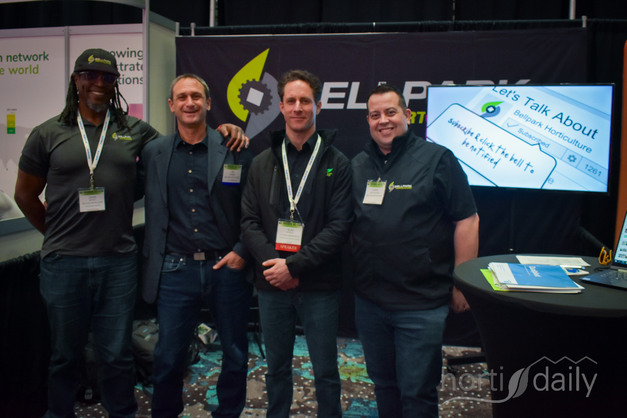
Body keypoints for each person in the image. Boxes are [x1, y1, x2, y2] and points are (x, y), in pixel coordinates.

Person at [13, 48, 245, 418]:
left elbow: (186, 140)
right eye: (90, 75)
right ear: (76, 80)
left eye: (107, 77)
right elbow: (24, 195)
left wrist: (227, 131)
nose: (99, 83)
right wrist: (54, 233)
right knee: (64, 355)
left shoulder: (135, 131)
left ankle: (122, 413)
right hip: (64, 262)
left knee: (117, 354)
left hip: (118, 261)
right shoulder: (47, 133)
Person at [350, 84, 480, 418]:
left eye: (390, 112)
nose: (383, 120)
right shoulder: (359, 165)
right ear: (368, 120)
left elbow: (467, 219)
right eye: (375, 115)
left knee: (417, 392)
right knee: (383, 385)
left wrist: (462, 283)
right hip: (370, 302)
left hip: (420, 304)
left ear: (407, 115)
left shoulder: (437, 159)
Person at [138, 73, 253, 418]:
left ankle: (229, 412)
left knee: (235, 351)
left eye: (196, 96)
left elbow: (254, 207)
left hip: (226, 266)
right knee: (168, 355)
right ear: (171, 105)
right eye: (182, 97)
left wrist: (242, 250)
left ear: (208, 103)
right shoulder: (153, 152)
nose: (190, 103)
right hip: (175, 268)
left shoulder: (233, 147)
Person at [240, 69, 353, 417]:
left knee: (325, 371)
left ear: (318, 106)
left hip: (319, 283)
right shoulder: (262, 162)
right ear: (281, 107)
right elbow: (249, 222)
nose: (298, 107)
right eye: (291, 101)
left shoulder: (337, 163)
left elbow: (339, 227)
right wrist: (276, 268)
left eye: (305, 101)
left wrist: (293, 266)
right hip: (272, 284)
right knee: (276, 369)